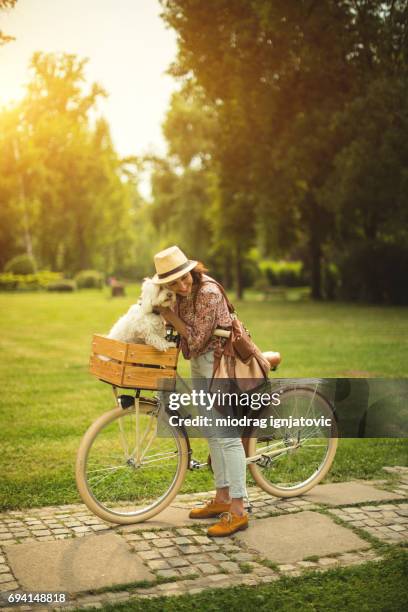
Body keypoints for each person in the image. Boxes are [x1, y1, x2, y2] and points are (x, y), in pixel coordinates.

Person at [152, 245, 249, 537]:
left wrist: (170, 317)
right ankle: (221, 499)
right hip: (201, 364)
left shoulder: (207, 292)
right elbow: (189, 346)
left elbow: (194, 340)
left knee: (227, 438)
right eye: (174, 283)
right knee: (212, 434)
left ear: (193, 271)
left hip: (220, 365)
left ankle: (238, 510)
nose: (183, 285)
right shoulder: (180, 295)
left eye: (185, 278)